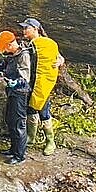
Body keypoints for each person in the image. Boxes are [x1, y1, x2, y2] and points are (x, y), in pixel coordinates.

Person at [18, 18, 64, 155]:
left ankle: (50, 141)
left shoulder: (47, 44)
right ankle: (31, 137)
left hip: (42, 83)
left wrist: (60, 61)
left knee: (43, 110)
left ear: (35, 29)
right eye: (23, 28)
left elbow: (59, 57)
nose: (24, 30)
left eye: (27, 28)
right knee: (30, 109)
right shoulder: (26, 44)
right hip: (30, 81)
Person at [0, 30, 31, 164]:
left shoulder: (24, 55)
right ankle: (13, 149)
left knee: (19, 123)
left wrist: (16, 82)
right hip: (11, 91)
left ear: (9, 45)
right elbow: (6, 64)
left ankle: (19, 156)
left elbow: (25, 77)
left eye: (4, 49)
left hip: (20, 92)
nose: (4, 52)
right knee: (10, 120)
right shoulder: (12, 55)